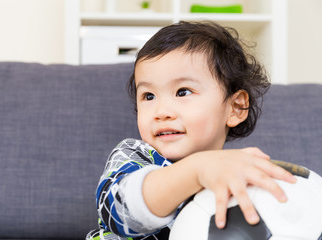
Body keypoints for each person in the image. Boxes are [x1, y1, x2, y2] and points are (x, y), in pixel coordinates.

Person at [86, 21, 296, 240]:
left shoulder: (232, 173)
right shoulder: (134, 155)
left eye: (183, 92)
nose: (162, 111)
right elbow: (119, 212)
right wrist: (197, 170)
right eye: (149, 96)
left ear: (235, 107)